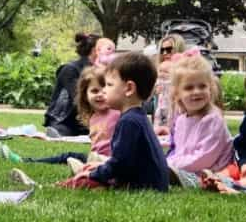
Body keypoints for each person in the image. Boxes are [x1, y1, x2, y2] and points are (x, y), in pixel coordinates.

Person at [58, 52, 169, 192]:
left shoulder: (128, 122)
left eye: (109, 85)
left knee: (86, 180)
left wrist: (94, 174)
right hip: (151, 183)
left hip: (143, 186)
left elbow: (119, 165)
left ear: (129, 89)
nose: (104, 91)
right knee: (94, 169)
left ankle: (60, 185)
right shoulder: (137, 117)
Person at [0, 66, 119, 171]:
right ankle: (23, 160)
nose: (100, 94)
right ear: (85, 95)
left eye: (105, 90)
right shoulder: (93, 118)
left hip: (111, 162)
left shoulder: (117, 113)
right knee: (69, 156)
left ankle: (85, 170)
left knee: (76, 160)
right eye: (94, 90)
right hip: (95, 158)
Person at [201, 60, 246, 193]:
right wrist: (244, 164)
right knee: (230, 169)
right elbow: (241, 146)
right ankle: (215, 179)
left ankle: (237, 187)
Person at [165, 54, 233, 176]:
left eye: (202, 86)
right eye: (189, 88)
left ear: (210, 88)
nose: (196, 91)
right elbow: (180, 152)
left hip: (214, 172)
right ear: (177, 93)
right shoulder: (181, 120)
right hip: (189, 170)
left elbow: (204, 159)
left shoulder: (213, 120)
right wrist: (169, 162)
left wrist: (171, 165)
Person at [44, 32, 100, 137]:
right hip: (63, 120)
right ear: (95, 51)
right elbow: (78, 98)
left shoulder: (103, 71)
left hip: (85, 121)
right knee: (64, 133)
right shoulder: (70, 69)